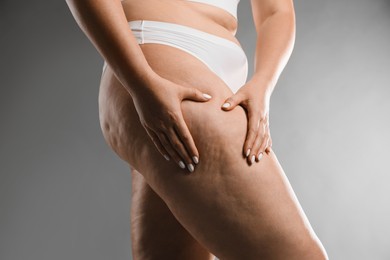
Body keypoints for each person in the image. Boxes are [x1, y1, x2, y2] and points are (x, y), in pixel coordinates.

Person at [66, 0, 328, 259]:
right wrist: (141, 83)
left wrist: (263, 83)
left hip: (193, 76)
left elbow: (276, 11)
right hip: (160, 57)